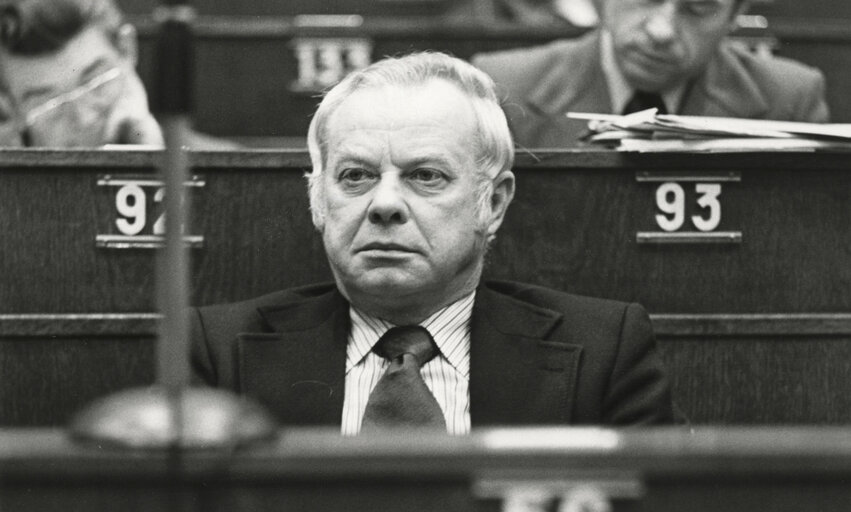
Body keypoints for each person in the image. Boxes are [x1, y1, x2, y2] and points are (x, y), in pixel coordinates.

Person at [189, 52, 676, 434]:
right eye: (355, 176)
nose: (384, 204)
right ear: (317, 200)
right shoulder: (218, 353)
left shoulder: (603, 351)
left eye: (425, 176)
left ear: (494, 203)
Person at [472, 0, 830, 148]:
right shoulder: (504, 88)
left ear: (736, 15)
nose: (662, 31)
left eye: (698, 7)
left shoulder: (790, 99)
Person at [0, 0, 235, 149]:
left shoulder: (236, 177)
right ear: (10, 108)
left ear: (127, 49)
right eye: (48, 104)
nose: (83, 118)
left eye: (95, 82)